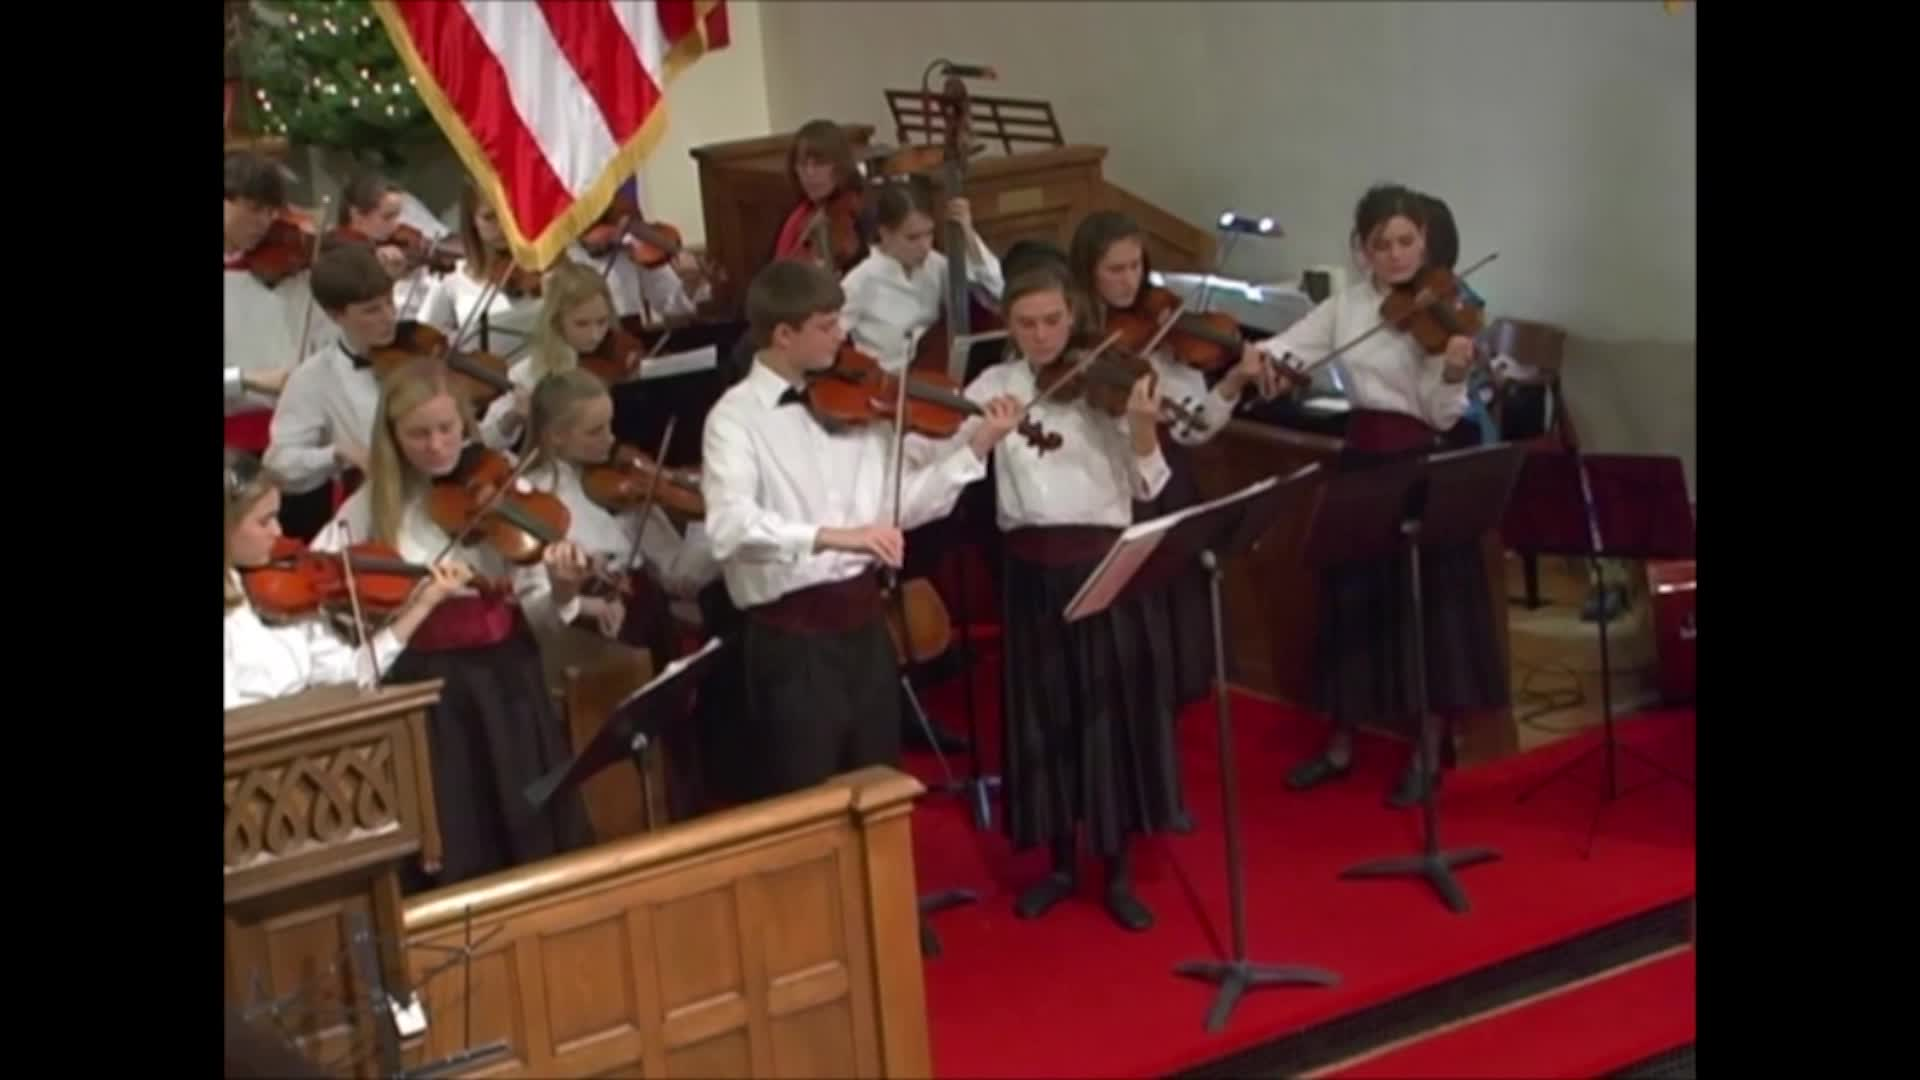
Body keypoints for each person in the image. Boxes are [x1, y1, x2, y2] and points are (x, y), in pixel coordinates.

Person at [700, 259, 1022, 801]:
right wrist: (830, 536)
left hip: (867, 629)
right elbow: (729, 527)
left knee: (880, 791)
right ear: (784, 335)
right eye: (826, 326)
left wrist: (977, 446)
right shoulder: (734, 420)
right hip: (793, 642)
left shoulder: (859, 404)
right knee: (809, 799)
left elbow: (899, 508)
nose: (842, 335)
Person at [1254, 183, 1510, 808]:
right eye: (1382, 244)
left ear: (1424, 242)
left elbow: (1442, 415)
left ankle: (1426, 749)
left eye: (1406, 242)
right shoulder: (1345, 307)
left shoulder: (1444, 310)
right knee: (1352, 601)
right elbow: (1287, 348)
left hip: (1420, 465)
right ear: (1362, 249)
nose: (1396, 255)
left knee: (1424, 608)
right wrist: (1262, 361)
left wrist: (1453, 371)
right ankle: (1342, 742)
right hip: (1361, 462)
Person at [944, 266, 1183, 932]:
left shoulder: (1108, 380)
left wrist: (1142, 427)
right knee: (1044, 713)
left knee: (1108, 714)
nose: (1043, 335)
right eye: (1027, 324)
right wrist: (981, 434)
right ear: (1009, 327)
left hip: (1102, 564)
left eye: (1053, 321)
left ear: (1072, 318)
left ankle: (1118, 869)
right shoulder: (995, 386)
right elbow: (946, 455)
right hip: (1029, 570)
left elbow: (1150, 483)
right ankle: (1058, 865)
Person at [310, 357, 597, 887]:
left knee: (527, 831)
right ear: (392, 437)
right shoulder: (368, 508)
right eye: (418, 434)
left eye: (448, 428)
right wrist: (386, 611)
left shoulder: (499, 484)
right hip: (426, 691)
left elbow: (539, 611)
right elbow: (321, 580)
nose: (438, 445)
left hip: (508, 682)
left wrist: (562, 589)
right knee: (458, 834)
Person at [1067, 211, 1274, 714]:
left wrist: (1232, 383)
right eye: (1115, 270)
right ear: (1088, 272)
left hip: (1171, 484)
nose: (1129, 280)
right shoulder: (1079, 339)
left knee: (1175, 619)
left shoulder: (1169, 335)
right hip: (1110, 492)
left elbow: (1193, 428)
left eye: (1136, 266)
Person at [224, 449, 471, 710]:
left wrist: (422, 605)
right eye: (264, 522)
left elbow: (351, 674)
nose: (278, 531)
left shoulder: (283, 594)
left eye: (277, 516)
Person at [519, 367, 720, 680]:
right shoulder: (535, 496)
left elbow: (675, 572)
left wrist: (726, 536)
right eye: (595, 431)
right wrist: (584, 603)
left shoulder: (625, 485)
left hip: (650, 618)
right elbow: (536, 601)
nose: (611, 439)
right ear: (556, 436)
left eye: (610, 425)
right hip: (592, 641)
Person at [264, 243, 397, 505]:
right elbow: (278, 463)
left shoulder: (421, 350)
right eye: (372, 310)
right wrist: (335, 453)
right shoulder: (314, 377)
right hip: (373, 504)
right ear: (336, 316)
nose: (390, 317)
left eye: (390, 302)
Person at [839, 178, 1003, 373]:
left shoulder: (936, 265)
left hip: (935, 374)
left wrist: (968, 233)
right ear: (885, 233)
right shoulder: (860, 280)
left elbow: (996, 292)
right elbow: (831, 337)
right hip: (884, 381)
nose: (925, 246)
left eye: (929, 234)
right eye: (913, 238)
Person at [475, 262, 627, 450]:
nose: (595, 335)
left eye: (602, 322)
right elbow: (487, 441)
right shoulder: (530, 371)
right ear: (555, 321)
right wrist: (514, 417)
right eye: (581, 324)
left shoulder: (619, 354)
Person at [421, 183, 544, 353]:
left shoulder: (547, 268)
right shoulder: (451, 280)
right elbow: (423, 341)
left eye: (511, 214)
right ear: (472, 221)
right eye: (489, 217)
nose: (503, 226)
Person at [327, 171, 439, 321]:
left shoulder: (396, 242)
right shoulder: (341, 256)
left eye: (398, 215)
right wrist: (389, 278)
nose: (397, 223)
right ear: (356, 215)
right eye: (388, 216)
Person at [771, 119, 869, 275]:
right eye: (803, 164)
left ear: (840, 164)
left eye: (820, 164)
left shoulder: (858, 213)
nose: (810, 173)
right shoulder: (798, 213)